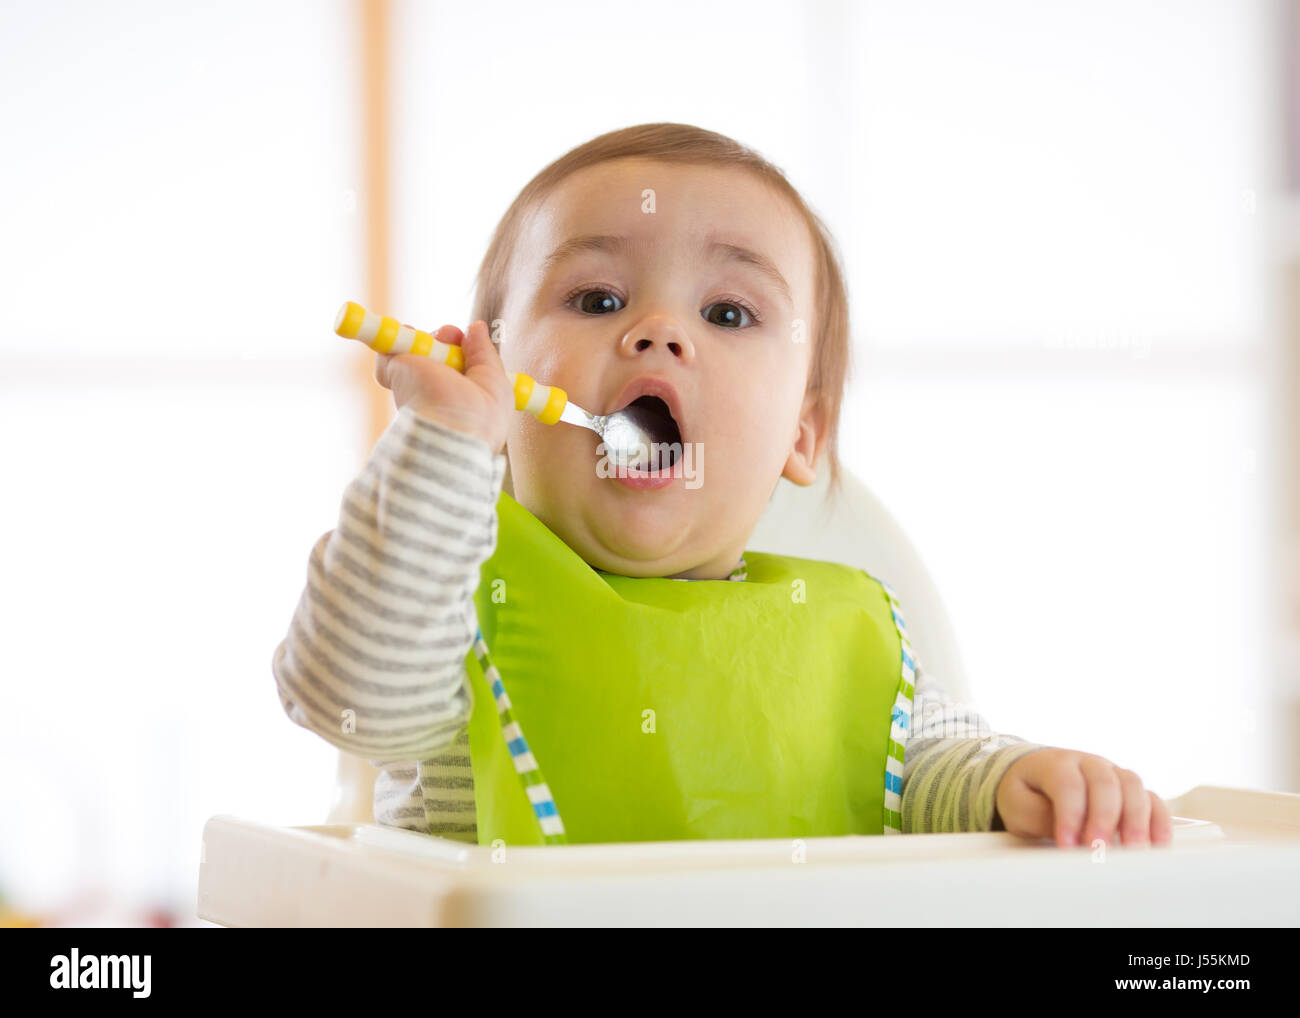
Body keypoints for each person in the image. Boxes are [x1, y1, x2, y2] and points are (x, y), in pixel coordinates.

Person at [272, 123, 1172, 850]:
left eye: (729, 313)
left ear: (801, 433)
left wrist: (1024, 782)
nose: (658, 331)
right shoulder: (453, 602)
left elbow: (939, 777)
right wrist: (443, 448)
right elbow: (342, 688)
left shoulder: (849, 641)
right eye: (596, 300)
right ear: (502, 378)